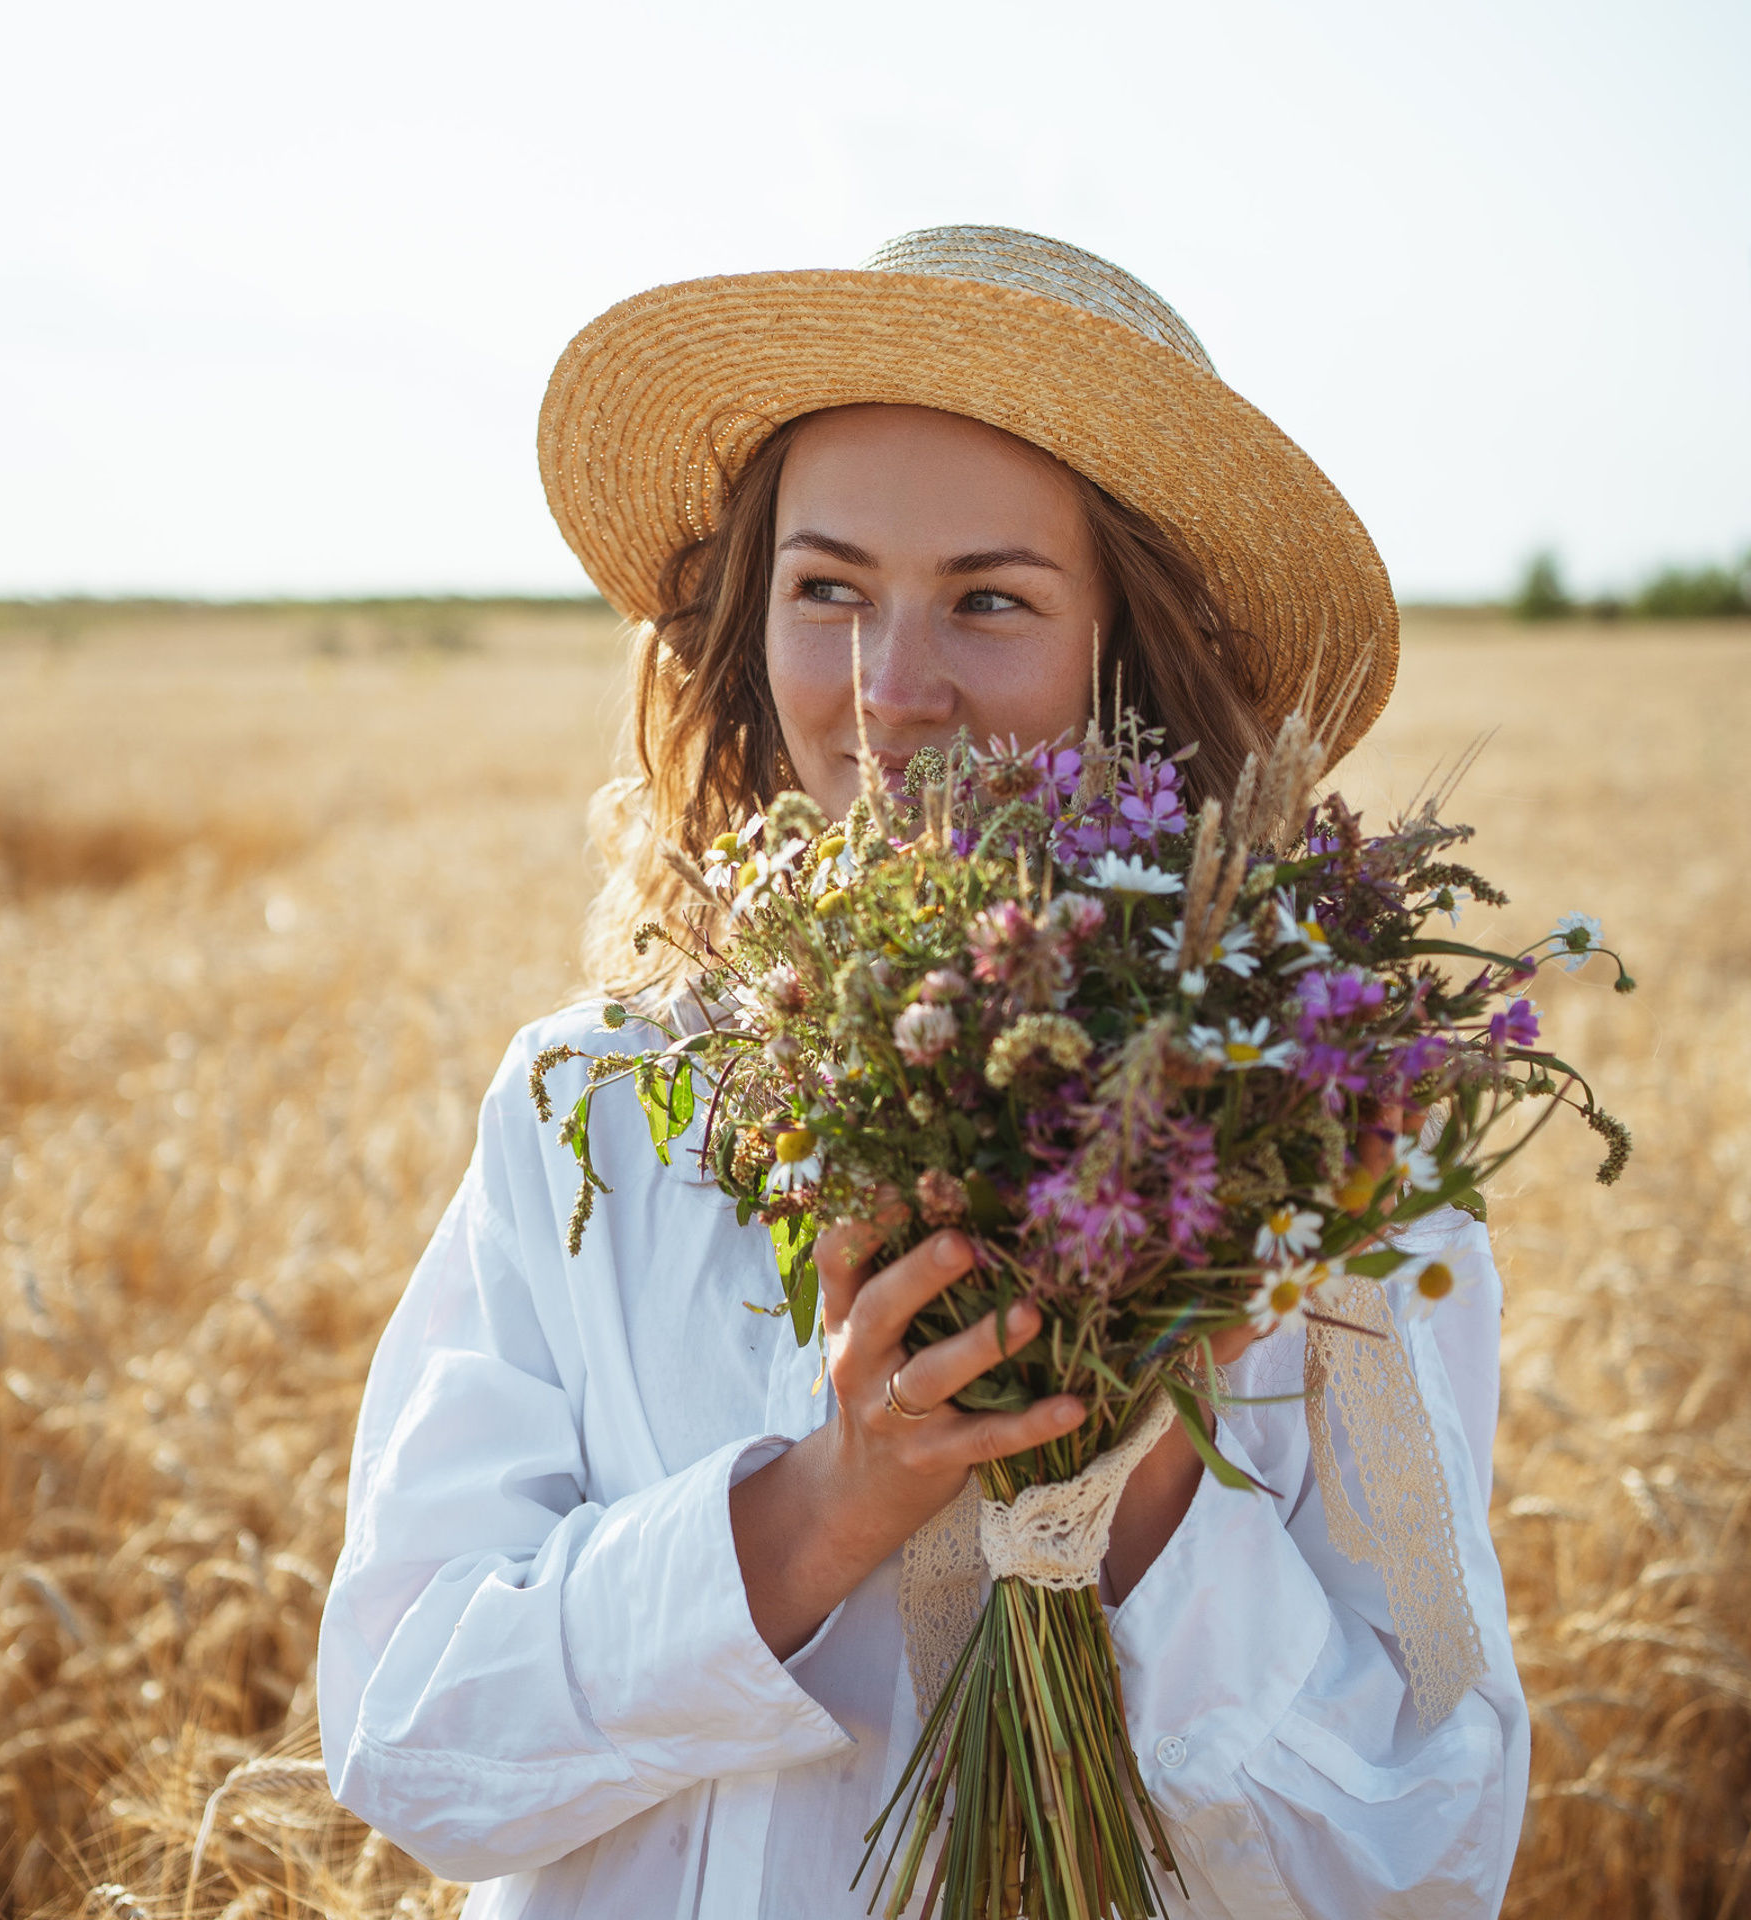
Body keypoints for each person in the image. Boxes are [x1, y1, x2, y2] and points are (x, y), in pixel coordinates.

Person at [318, 226, 1529, 1918]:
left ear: (1137, 656)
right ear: (748, 626)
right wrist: (823, 1507)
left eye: (992, 599)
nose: (892, 696)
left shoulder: (1321, 1162)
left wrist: (1140, 1478)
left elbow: (1418, 1853)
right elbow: (407, 1741)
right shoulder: (584, 1108)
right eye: (827, 591)